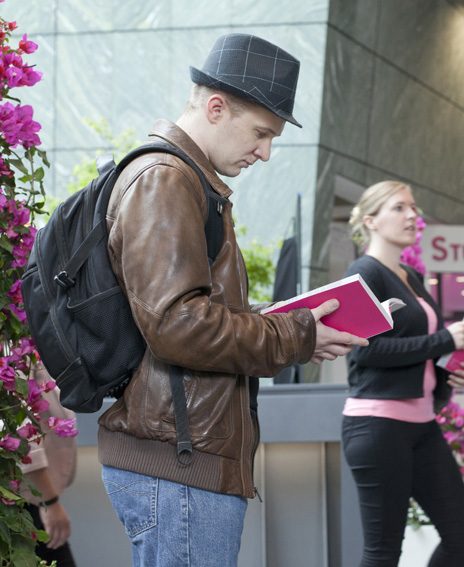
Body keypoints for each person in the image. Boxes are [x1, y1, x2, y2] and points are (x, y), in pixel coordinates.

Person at [96, 33, 369, 566]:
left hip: (185, 462)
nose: (265, 153)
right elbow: (178, 326)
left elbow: (188, 315)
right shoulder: (166, 180)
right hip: (179, 467)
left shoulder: (188, 182)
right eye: (262, 133)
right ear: (216, 108)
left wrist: (294, 332)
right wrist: (294, 334)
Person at [342, 180, 464, 567]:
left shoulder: (409, 275)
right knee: (384, 552)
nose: (412, 216)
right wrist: (443, 341)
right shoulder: (363, 273)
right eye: (399, 208)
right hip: (377, 427)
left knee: (462, 535)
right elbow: (366, 351)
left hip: (421, 424)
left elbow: (423, 347)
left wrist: (452, 370)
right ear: (371, 220)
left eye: (413, 208)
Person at [21, 364, 78, 567]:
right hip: (28, 500)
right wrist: (50, 503)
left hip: (35, 497)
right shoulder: (10, 346)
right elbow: (22, 438)